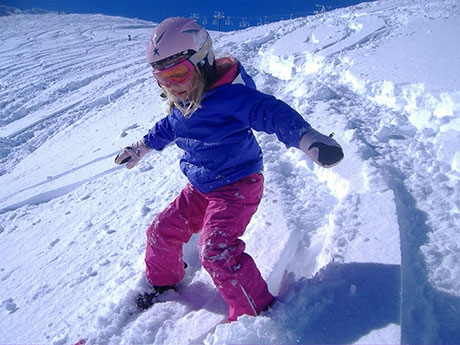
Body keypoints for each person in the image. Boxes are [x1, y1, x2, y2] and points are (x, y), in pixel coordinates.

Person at [115, 17, 344, 322]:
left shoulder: (231, 97)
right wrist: (139, 148)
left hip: (238, 184)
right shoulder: (182, 102)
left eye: (178, 74)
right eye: (162, 79)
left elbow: (270, 111)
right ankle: (163, 283)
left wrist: (306, 137)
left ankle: (256, 312)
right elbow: (165, 129)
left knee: (215, 250)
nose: (172, 85)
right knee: (160, 230)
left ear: (203, 61)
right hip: (200, 186)